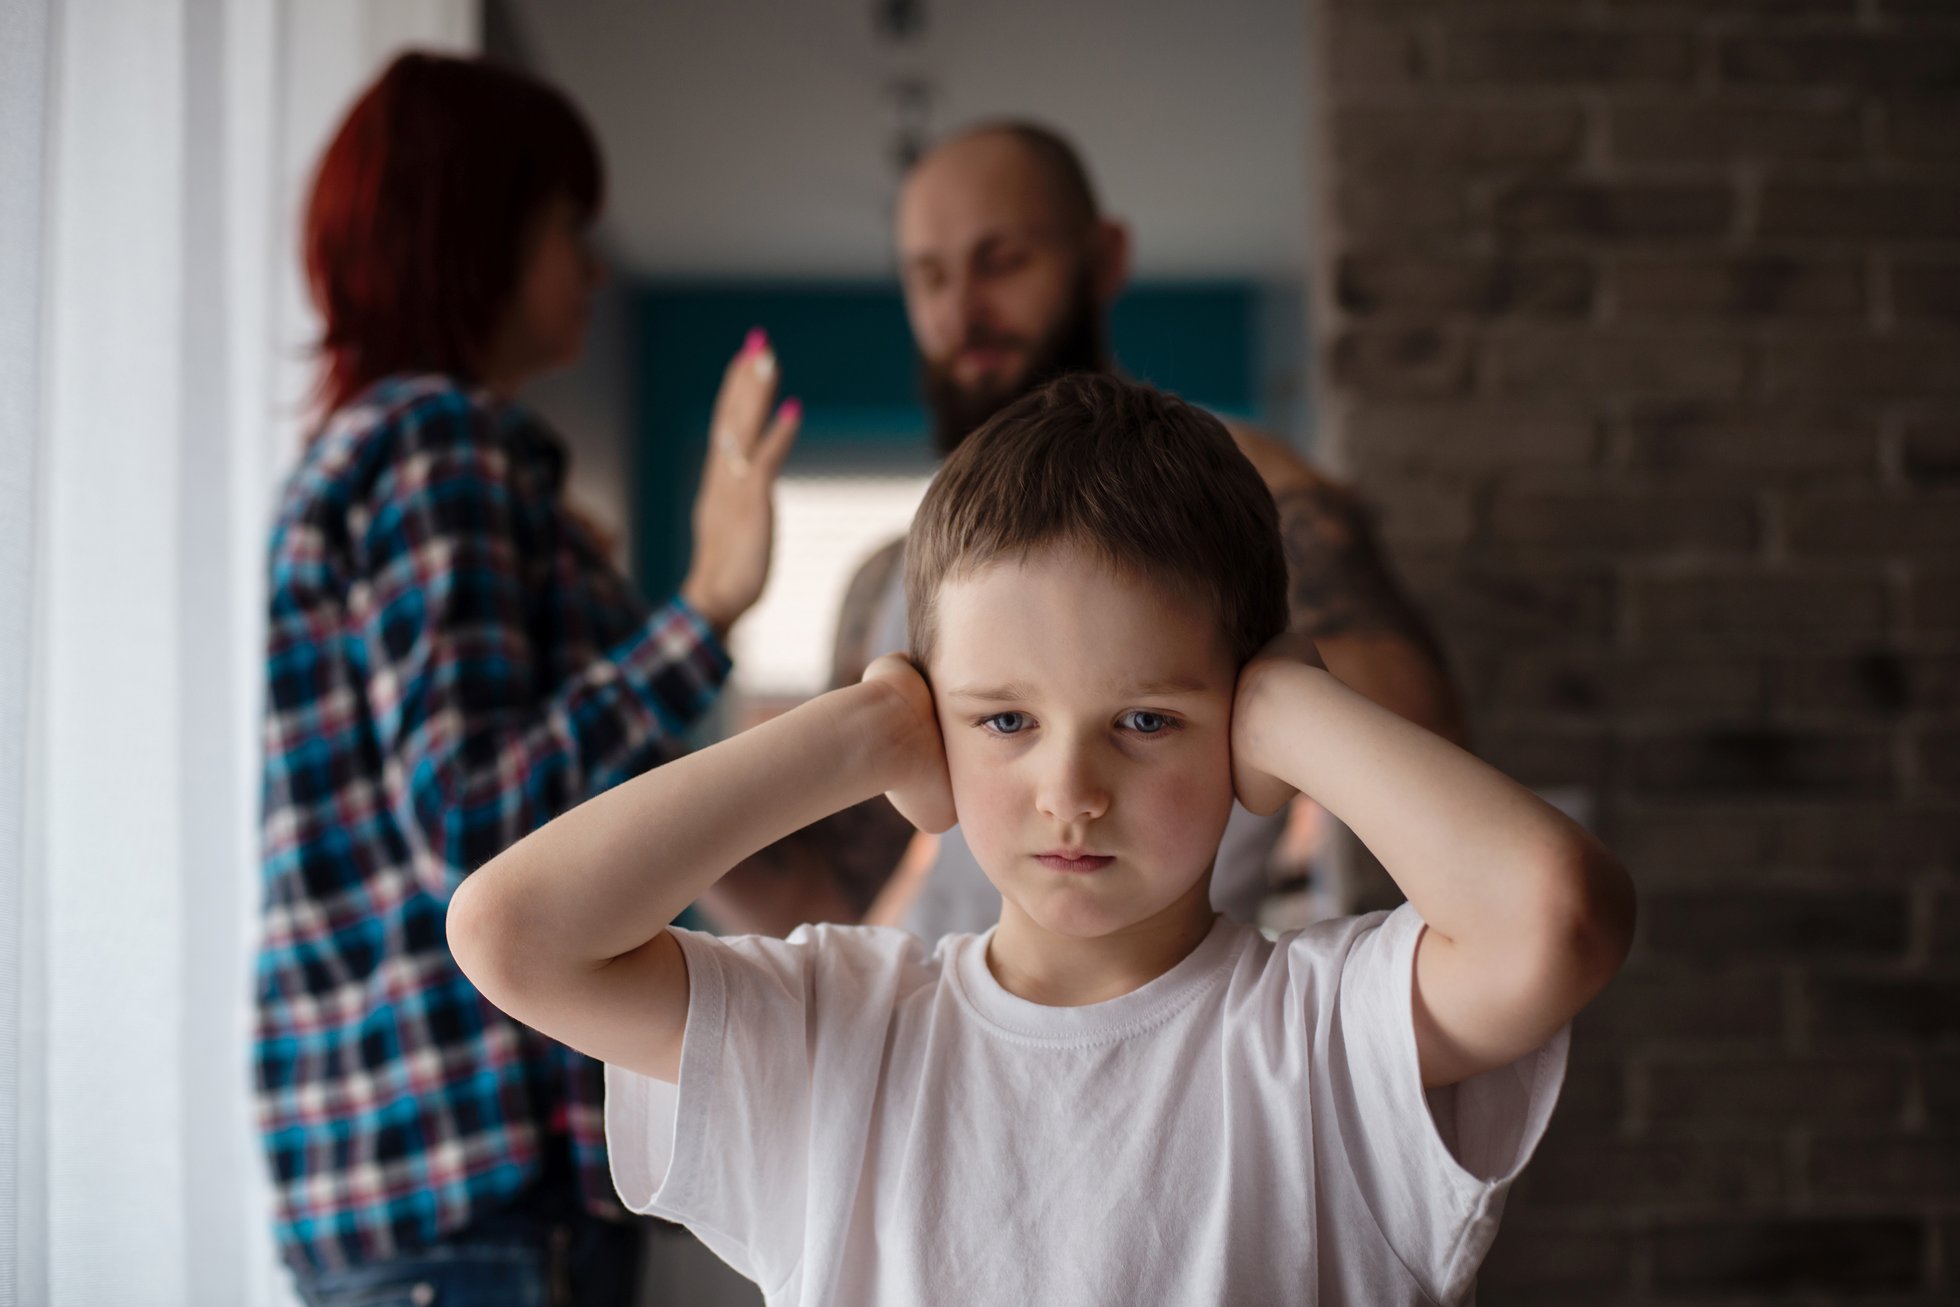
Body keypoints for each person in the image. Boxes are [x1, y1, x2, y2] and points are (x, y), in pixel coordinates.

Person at [447, 374, 1636, 1305]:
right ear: (931, 717)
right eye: (1004, 718)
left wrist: (1288, 706)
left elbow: (1558, 916)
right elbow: (511, 932)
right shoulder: (835, 1026)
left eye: (1146, 719)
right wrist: (859, 733)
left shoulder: (1325, 1030)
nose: (1070, 788)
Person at [254, 53, 799, 1305]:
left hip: (401, 1178)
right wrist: (705, 603)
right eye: (569, 227)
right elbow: (478, 820)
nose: (596, 269)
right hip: (470, 1175)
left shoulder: (379, 451)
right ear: (477, 233)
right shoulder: (437, 443)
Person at [700, 121, 1463, 941]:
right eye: (930, 278)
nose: (963, 312)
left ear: (1103, 258)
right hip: (953, 1035)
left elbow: (1421, 744)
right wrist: (698, 621)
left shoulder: (1255, 497)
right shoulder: (894, 577)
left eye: (1002, 262)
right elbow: (825, 899)